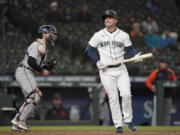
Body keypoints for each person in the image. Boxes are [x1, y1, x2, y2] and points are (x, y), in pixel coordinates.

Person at [85, 10, 142, 133]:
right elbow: (88, 50)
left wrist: (135, 56)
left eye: (110, 17)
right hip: (106, 71)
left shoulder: (124, 35)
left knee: (126, 95)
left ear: (116, 20)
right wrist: (97, 61)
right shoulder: (98, 35)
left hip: (121, 69)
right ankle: (118, 125)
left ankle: (128, 120)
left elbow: (130, 49)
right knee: (113, 98)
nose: (107, 19)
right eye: (105, 17)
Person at [11, 25, 58, 131]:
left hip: (28, 72)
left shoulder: (43, 46)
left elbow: (35, 65)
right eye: (50, 33)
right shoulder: (38, 44)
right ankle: (18, 119)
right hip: (24, 71)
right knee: (33, 95)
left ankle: (17, 124)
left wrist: (47, 67)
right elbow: (30, 61)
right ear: (43, 33)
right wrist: (42, 70)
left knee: (36, 96)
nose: (52, 35)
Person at [145, 58, 177, 125]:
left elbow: (175, 81)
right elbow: (148, 81)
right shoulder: (156, 72)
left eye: (164, 63)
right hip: (158, 96)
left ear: (167, 64)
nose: (163, 64)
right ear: (159, 64)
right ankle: (157, 127)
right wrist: (151, 87)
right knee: (157, 112)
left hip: (168, 96)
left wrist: (173, 88)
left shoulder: (170, 72)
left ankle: (166, 128)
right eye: (162, 63)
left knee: (167, 113)